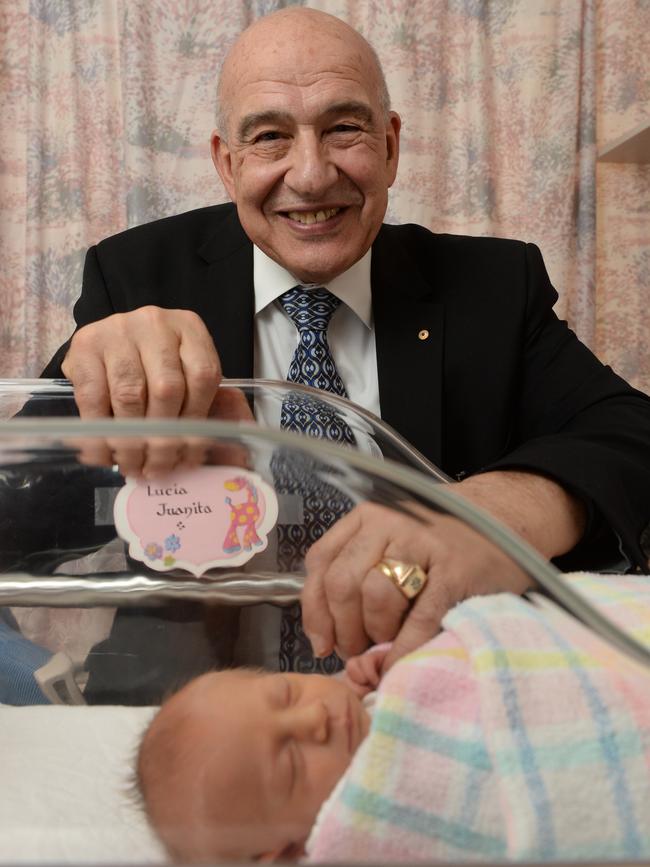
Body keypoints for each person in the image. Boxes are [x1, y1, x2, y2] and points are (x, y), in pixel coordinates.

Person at [41, 7, 650, 671]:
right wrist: (94, 391)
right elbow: (25, 514)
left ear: (390, 145)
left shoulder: (493, 287)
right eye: (270, 136)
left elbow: (629, 437)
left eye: (344, 129)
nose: (310, 174)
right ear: (226, 161)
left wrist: (491, 513)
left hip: (423, 692)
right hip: (193, 708)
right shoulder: (137, 278)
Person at [136, 658, 381, 862]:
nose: (316, 716)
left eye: (287, 693)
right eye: (292, 765)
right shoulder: (368, 840)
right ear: (289, 851)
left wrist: (380, 668)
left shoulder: (367, 689)